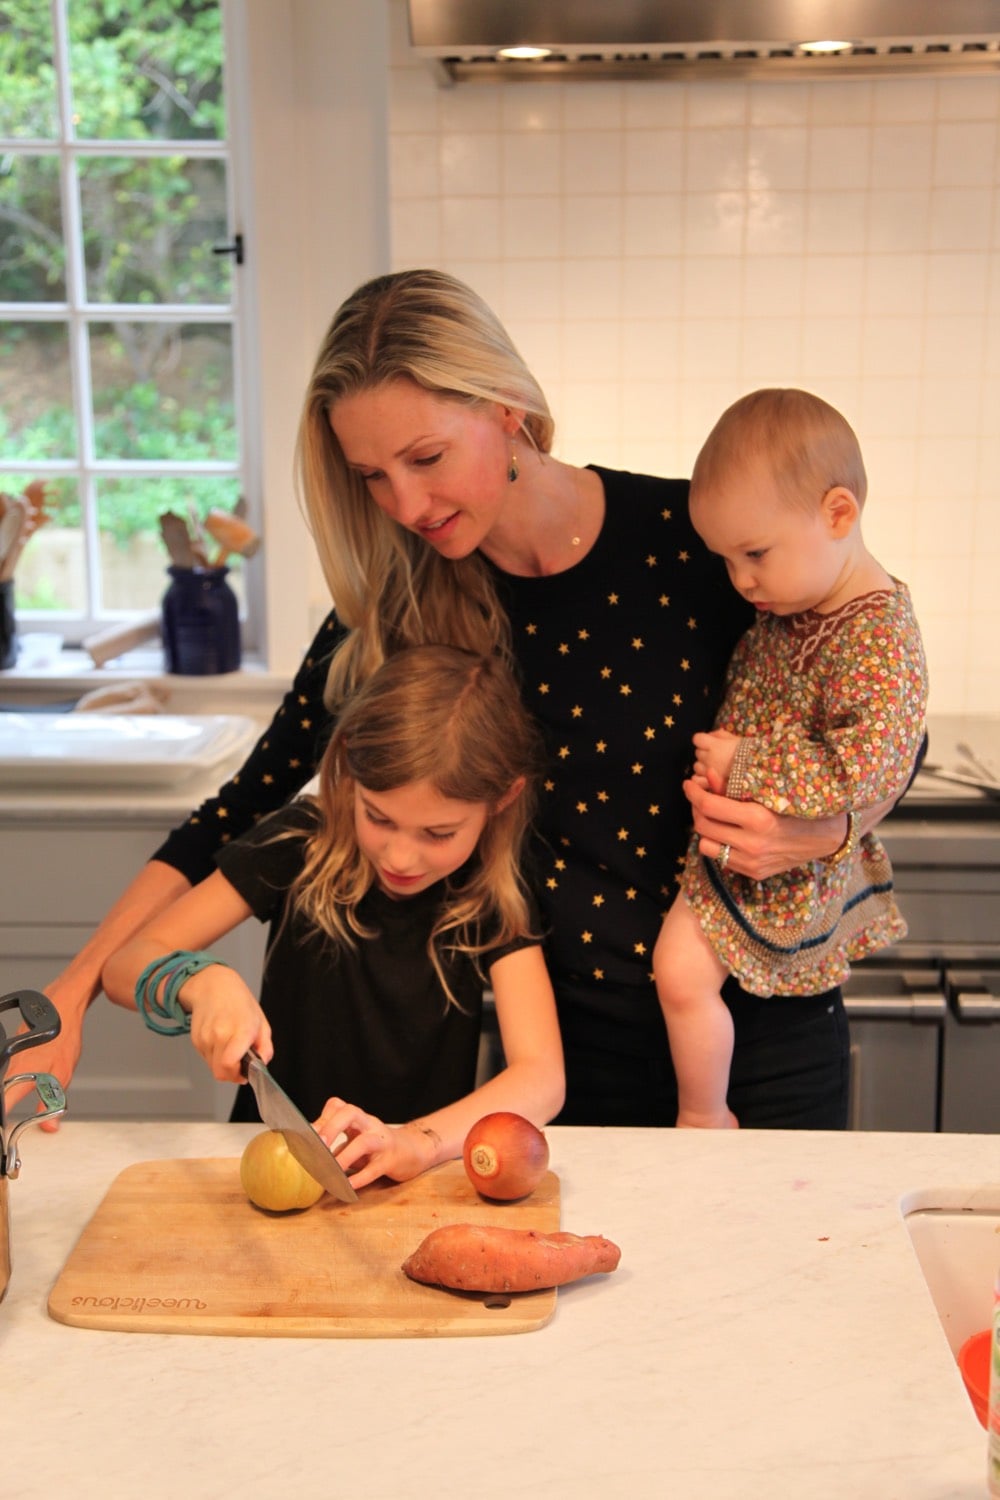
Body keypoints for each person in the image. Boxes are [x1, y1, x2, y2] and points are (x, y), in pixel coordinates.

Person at [21, 269, 907, 1133]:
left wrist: (829, 829)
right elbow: (239, 807)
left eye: (426, 457)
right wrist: (71, 994)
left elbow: (873, 707)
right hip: (569, 1069)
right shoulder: (399, 607)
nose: (405, 503)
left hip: (763, 1026)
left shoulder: (697, 545)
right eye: (372, 475)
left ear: (505, 410)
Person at [101, 645, 564, 1189]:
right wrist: (200, 982)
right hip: (273, 1169)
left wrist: (418, 1141)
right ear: (346, 765)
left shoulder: (491, 889)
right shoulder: (299, 842)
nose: (400, 857)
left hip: (412, 1182)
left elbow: (542, 1077)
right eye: (378, 817)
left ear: (504, 799)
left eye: (439, 834)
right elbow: (123, 967)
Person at [652, 389, 928, 1130]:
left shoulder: (877, 639)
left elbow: (861, 770)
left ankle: (704, 1115)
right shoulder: (802, 599)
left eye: (754, 555)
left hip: (779, 866)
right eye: (727, 560)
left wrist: (747, 763)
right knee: (681, 976)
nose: (740, 581)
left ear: (839, 514)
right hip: (740, 844)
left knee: (680, 974)